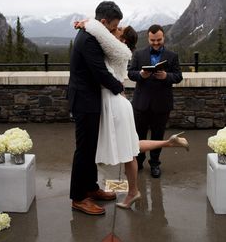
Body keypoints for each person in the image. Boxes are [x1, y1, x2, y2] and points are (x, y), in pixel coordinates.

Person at [78, 19, 188, 209]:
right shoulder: (123, 51)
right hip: (122, 102)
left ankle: (132, 191)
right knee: (131, 147)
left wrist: (88, 22)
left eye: (119, 29)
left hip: (115, 105)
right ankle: (169, 143)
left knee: (129, 151)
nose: (115, 29)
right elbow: (128, 72)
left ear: (123, 40)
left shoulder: (119, 50)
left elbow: (100, 32)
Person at [68, 1, 124, 216]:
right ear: (103, 22)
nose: (113, 31)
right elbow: (99, 72)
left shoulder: (92, 32)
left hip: (90, 99)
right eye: (113, 26)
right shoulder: (89, 39)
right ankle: (79, 198)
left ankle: (91, 187)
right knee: (83, 150)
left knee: (91, 148)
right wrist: (119, 87)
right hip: (84, 101)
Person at [128, 24, 183, 178]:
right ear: (148, 38)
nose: (156, 43)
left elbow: (178, 76)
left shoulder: (172, 56)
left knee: (158, 136)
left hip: (162, 104)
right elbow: (131, 73)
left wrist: (167, 77)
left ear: (163, 37)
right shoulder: (138, 54)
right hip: (141, 103)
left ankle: (155, 164)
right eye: (153, 40)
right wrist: (141, 75)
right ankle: (138, 162)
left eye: (159, 40)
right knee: (139, 135)